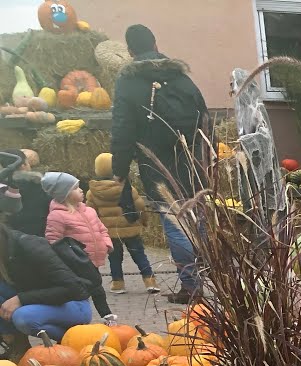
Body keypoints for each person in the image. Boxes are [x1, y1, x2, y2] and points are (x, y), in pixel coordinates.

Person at [110, 24, 209, 305]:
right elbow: (204, 116)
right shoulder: (180, 76)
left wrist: (119, 170)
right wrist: (206, 155)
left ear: (130, 51)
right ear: (155, 44)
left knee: (174, 221)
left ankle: (191, 286)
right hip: (192, 159)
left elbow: (122, 129)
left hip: (158, 162)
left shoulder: (128, 82)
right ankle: (205, 273)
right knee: (196, 218)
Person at [0, 182, 93, 358]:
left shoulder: (29, 245)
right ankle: (16, 345)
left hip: (73, 303)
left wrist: (21, 299)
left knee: (23, 317)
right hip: (38, 300)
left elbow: (73, 288)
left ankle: (73, 343)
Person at [40, 171, 113, 319]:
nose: (80, 190)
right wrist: (66, 258)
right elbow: (54, 240)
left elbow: (102, 229)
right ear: (64, 194)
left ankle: (108, 317)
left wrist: (106, 243)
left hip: (92, 260)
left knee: (97, 288)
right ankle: (80, 318)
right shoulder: (57, 216)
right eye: (75, 188)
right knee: (82, 291)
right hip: (76, 263)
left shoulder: (90, 211)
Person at [86, 153, 158, 294]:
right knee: (139, 255)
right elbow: (140, 207)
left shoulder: (92, 192)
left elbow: (91, 214)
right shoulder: (128, 188)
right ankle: (150, 281)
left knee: (114, 258)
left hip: (109, 232)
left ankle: (118, 284)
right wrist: (144, 222)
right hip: (131, 228)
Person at [0, 149, 50, 237]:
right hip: (39, 233)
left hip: (11, 236)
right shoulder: (38, 184)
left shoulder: (3, 186)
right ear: (24, 165)